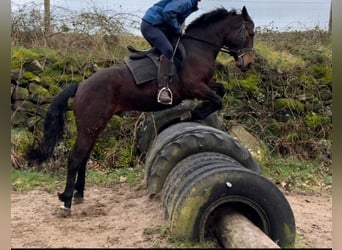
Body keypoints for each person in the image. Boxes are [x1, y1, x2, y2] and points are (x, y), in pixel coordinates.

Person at [141, 0, 201, 105]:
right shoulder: (187, 1)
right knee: (168, 50)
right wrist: (178, 29)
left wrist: (179, 27)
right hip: (152, 25)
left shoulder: (191, 3)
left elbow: (175, 15)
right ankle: (162, 89)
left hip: (159, 26)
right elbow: (168, 12)